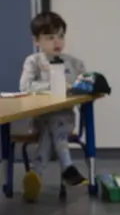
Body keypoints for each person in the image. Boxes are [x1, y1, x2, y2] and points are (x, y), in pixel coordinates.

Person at [19, 11, 88, 202]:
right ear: (36, 41)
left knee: (55, 123)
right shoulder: (33, 62)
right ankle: (67, 167)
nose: (57, 42)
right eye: (50, 37)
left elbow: (85, 82)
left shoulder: (73, 62)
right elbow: (25, 86)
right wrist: (53, 85)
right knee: (50, 126)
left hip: (66, 120)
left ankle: (36, 173)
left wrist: (80, 84)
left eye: (60, 36)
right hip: (39, 120)